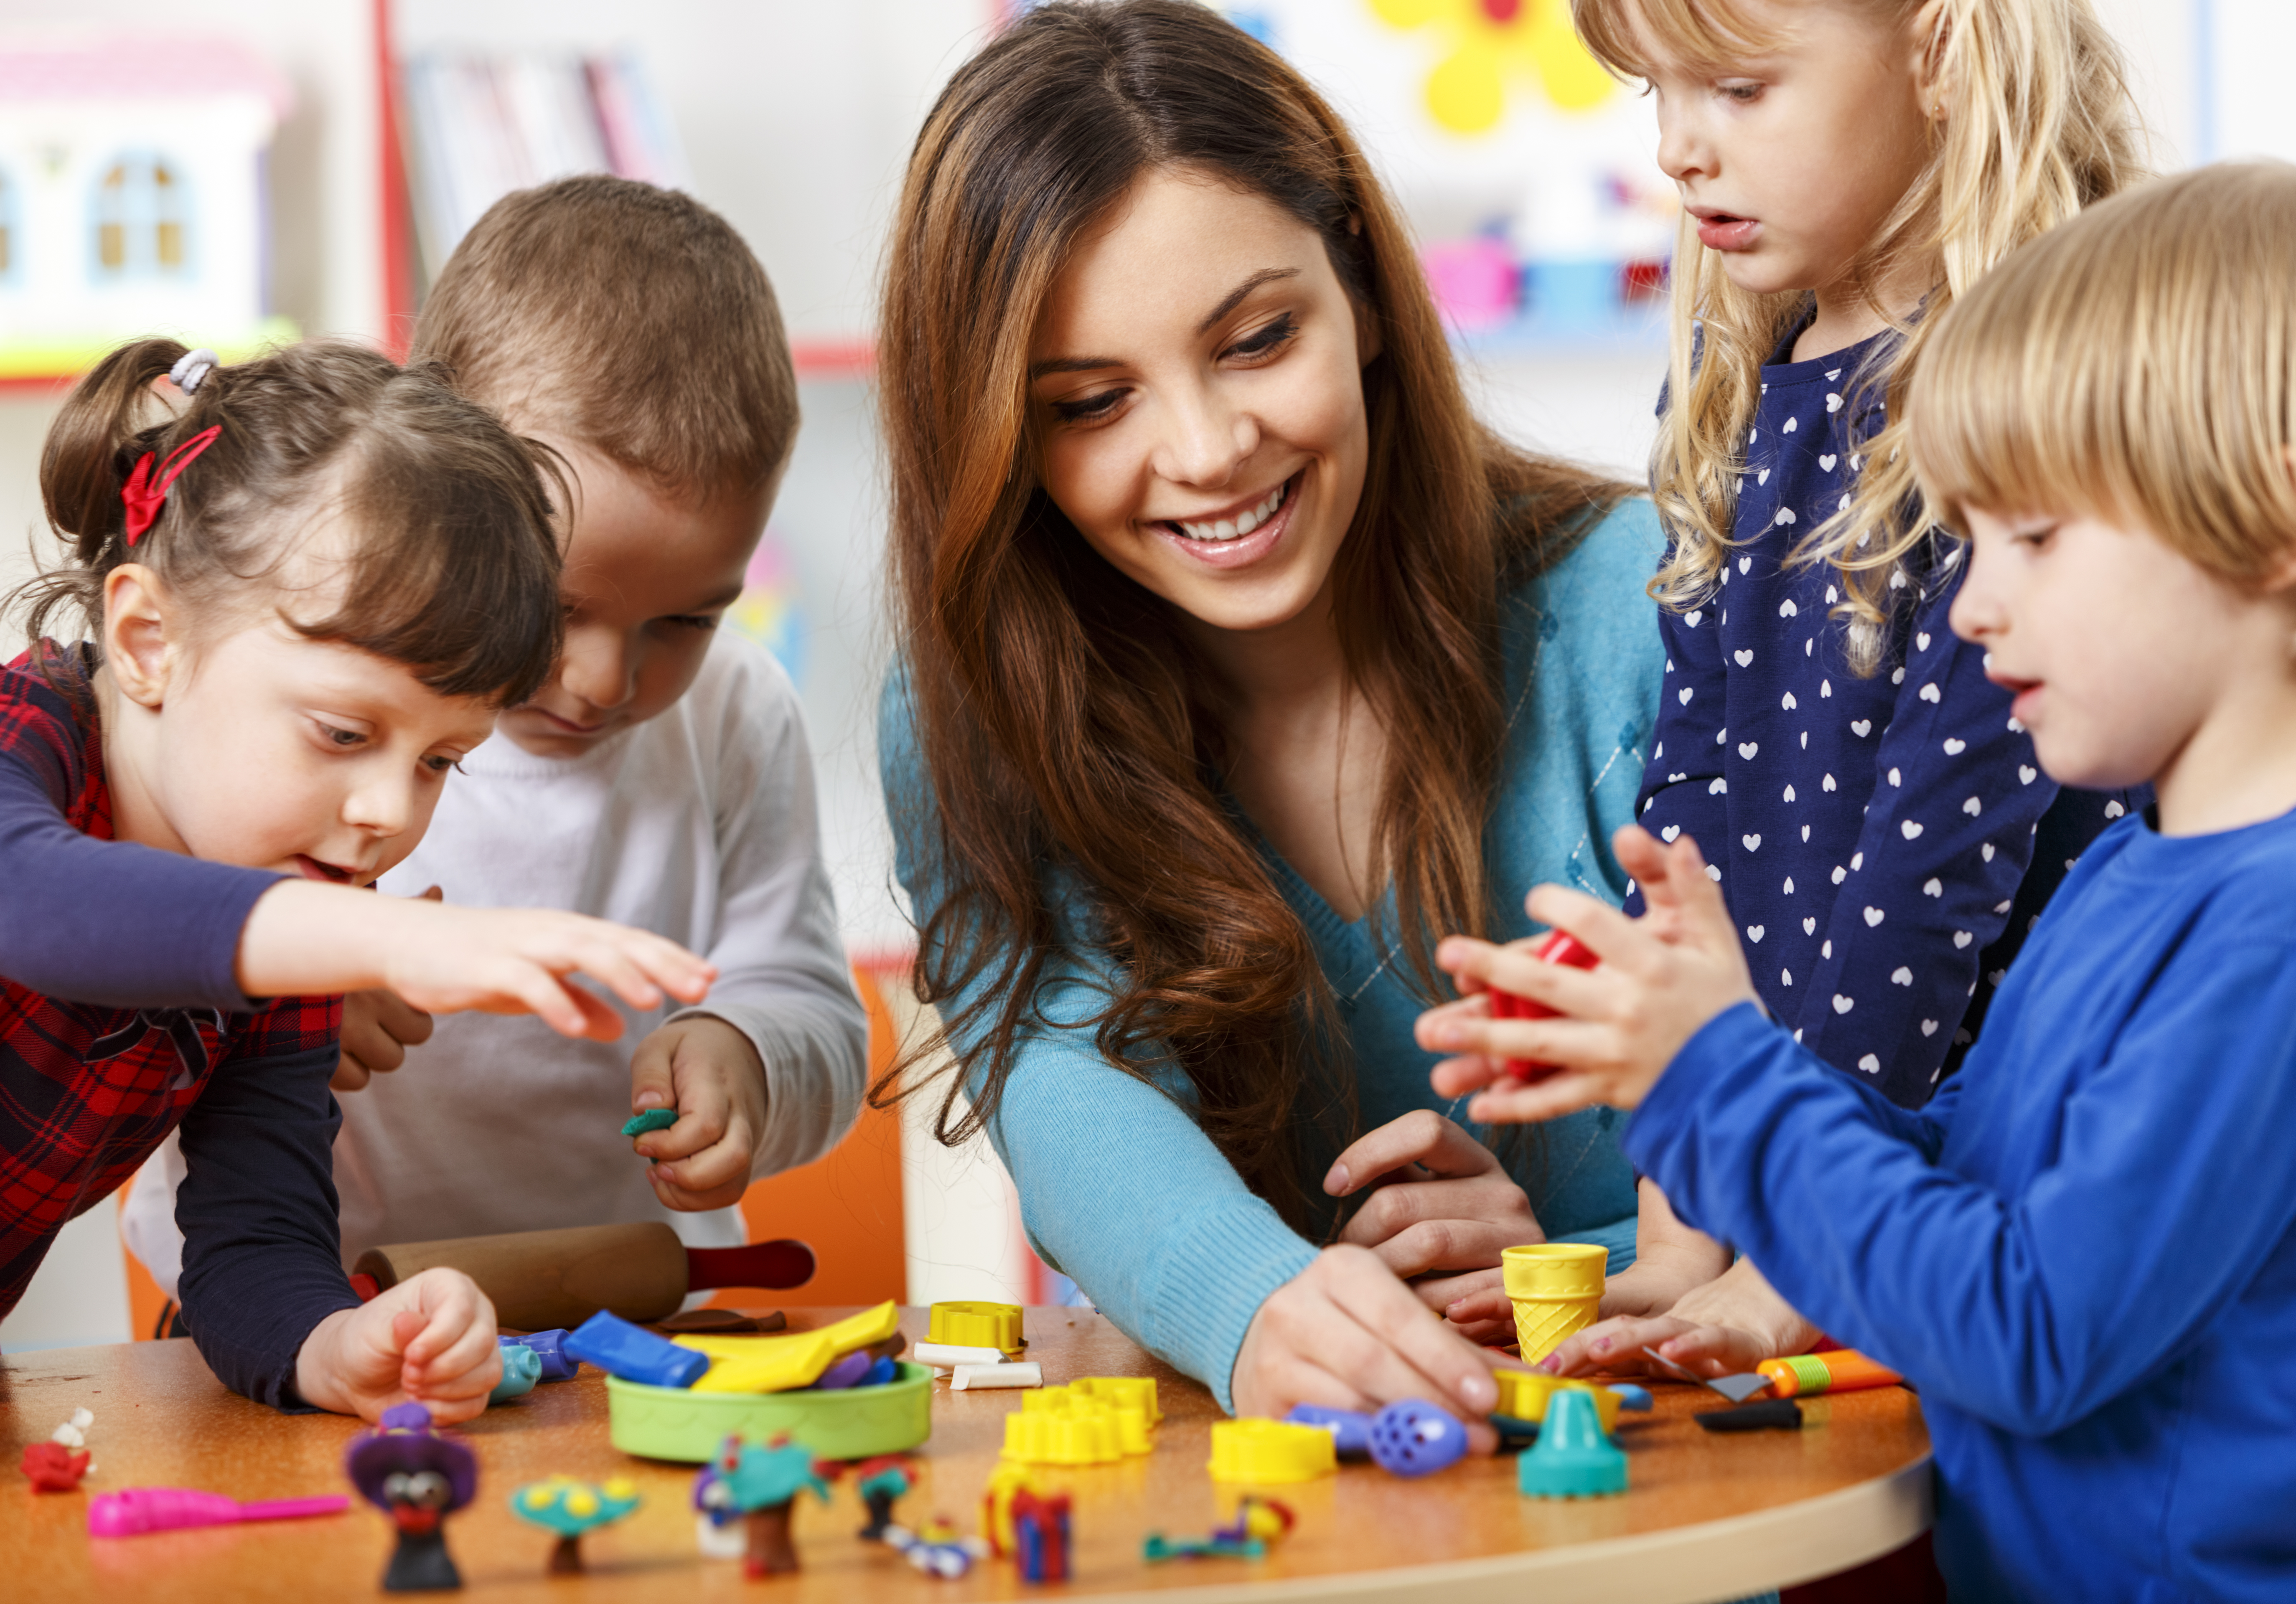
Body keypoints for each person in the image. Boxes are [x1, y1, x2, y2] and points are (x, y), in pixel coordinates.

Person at [1424, 161, 2296, 1604]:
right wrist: (1719, 1093)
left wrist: (1725, 1084)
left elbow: (2031, 1327)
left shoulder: (2266, 945)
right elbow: (1975, 1162)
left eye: (2033, 537)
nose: (1972, 604)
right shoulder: (2140, 870)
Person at [877, 0, 1665, 1426]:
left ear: (1361, 292)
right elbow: (1059, 1066)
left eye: (1255, 340)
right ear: (997, 442)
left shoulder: (1643, 613)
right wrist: (1257, 1304)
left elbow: (1838, 1164)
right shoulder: (975, 713)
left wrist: (1562, 1279)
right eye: (1092, 402)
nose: (1204, 450)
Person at [1442, 0, 2148, 1372]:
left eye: (1738, 89)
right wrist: (1677, 1233)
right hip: (1792, 1175)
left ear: (1939, 51)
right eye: (1657, 93)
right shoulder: (1745, 378)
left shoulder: (2004, 394)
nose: (1679, 153)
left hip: (1958, 1199)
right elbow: (1689, 843)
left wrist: (1793, 1255)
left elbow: (1929, 873)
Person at [0, 337, 714, 1419]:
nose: (387, 814)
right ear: (147, 639)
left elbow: (257, 1238)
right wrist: (394, 943)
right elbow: (36, 907)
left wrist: (338, 1346)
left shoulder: (297, 934)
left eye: (436, 762)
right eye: (341, 731)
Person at [124, 178, 866, 1295]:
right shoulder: (327, 708)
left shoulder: (738, 716)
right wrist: (292, 984)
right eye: (558, 605)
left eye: (688, 619)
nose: (607, 678)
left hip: (626, 1317)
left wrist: (752, 1058)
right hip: (298, 1318)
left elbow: (814, 1008)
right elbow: (135, 978)